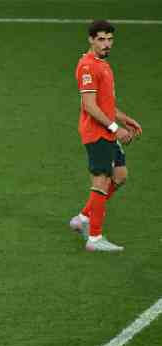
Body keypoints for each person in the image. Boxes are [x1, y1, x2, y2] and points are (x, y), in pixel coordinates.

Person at [68, 19, 143, 252]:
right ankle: (95, 238)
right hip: (96, 133)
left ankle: (82, 218)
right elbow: (89, 105)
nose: (106, 44)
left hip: (107, 129)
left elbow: (105, 104)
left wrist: (124, 119)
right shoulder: (88, 66)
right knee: (101, 180)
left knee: (119, 176)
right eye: (101, 39)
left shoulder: (103, 64)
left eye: (110, 39)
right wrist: (115, 129)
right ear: (91, 39)